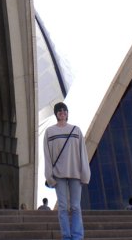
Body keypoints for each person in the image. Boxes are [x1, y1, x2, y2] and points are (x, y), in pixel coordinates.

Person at [44, 102, 90, 240]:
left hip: (75, 173)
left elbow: (83, 153)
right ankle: (66, 236)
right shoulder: (49, 132)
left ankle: (77, 236)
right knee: (63, 207)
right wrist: (49, 175)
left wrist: (85, 174)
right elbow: (47, 156)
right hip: (59, 175)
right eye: (59, 110)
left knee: (75, 206)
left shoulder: (76, 131)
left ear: (67, 113)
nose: (62, 112)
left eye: (64, 110)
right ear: (56, 114)